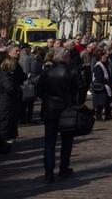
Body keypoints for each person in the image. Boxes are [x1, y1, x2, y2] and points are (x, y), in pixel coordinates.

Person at [36, 47, 79, 183]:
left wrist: (48, 99)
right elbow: (80, 88)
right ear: (65, 57)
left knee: (50, 143)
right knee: (66, 141)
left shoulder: (46, 72)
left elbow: (39, 91)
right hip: (66, 109)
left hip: (51, 108)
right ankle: (63, 168)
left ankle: (49, 173)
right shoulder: (71, 71)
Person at [90, 48, 112, 121]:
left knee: (107, 102)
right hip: (101, 87)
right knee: (100, 103)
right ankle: (99, 116)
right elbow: (99, 77)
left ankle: (108, 115)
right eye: (104, 56)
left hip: (105, 86)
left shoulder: (104, 64)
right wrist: (107, 81)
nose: (106, 57)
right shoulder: (98, 66)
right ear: (100, 57)